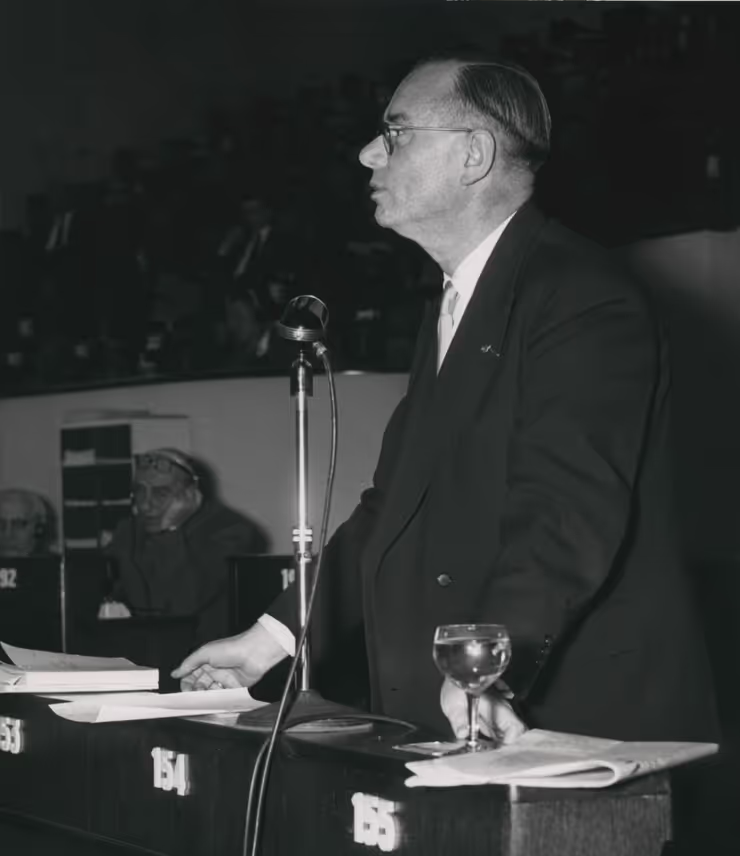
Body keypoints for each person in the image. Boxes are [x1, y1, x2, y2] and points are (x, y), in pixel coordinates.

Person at [174, 55, 718, 745]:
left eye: (395, 132)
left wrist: (488, 669)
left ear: (473, 154)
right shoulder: (458, 301)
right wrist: (268, 639)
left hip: (570, 722)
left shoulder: (580, 295)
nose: (369, 151)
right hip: (455, 713)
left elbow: (564, 511)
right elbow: (389, 509)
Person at [103, 448, 267, 644]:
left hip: (206, 657)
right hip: (143, 651)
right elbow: (107, 588)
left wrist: (171, 530)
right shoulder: (128, 530)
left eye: (161, 493)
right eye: (139, 491)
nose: (145, 505)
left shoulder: (232, 531)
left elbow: (183, 602)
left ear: (189, 495)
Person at [0, 488, 53, 557]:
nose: (7, 535)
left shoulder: (56, 565)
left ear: (39, 529)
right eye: (0, 524)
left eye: (18, 525)